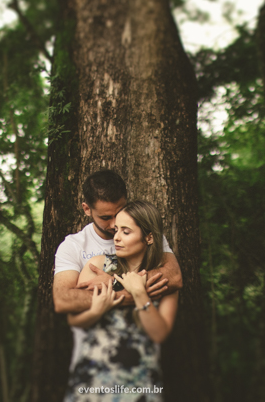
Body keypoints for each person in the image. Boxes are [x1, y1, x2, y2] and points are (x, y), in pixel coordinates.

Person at [53, 170, 182, 371]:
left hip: (143, 359)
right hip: (95, 358)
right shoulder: (74, 246)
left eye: (119, 212)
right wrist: (128, 293)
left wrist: (114, 283)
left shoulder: (148, 235)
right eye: (106, 217)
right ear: (87, 209)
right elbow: (63, 300)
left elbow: (173, 276)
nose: (114, 225)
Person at [64, 200, 178, 401]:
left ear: (149, 237)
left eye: (126, 232)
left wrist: (140, 293)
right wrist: (97, 310)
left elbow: (159, 334)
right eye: (116, 230)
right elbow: (74, 320)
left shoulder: (163, 278)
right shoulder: (98, 265)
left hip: (139, 382)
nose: (116, 237)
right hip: (92, 379)